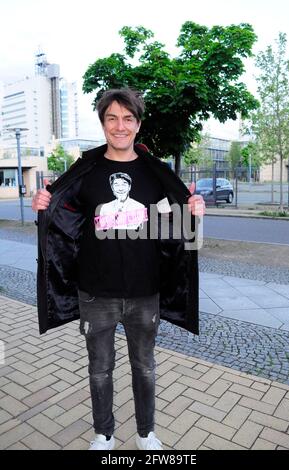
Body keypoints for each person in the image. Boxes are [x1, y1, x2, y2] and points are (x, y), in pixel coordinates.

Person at [32, 87, 205, 451]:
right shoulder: (86, 173)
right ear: (103, 123)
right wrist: (44, 204)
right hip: (96, 293)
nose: (120, 126)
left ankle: (146, 434)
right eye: (112, 118)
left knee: (144, 367)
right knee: (100, 370)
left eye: (128, 118)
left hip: (146, 293)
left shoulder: (156, 174)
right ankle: (104, 434)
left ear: (138, 125)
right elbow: (62, 216)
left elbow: (173, 224)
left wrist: (194, 211)